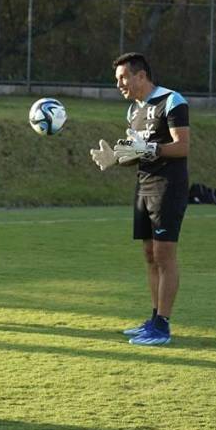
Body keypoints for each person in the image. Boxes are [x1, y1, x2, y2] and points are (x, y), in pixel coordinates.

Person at [89, 52, 190, 346]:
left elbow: (182, 146)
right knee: (149, 255)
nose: (119, 84)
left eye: (123, 78)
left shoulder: (171, 100)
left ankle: (163, 326)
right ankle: (154, 318)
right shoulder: (133, 110)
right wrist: (116, 157)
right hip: (143, 186)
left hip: (167, 186)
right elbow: (136, 151)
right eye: (117, 79)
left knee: (164, 255)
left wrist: (151, 149)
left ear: (141, 76)